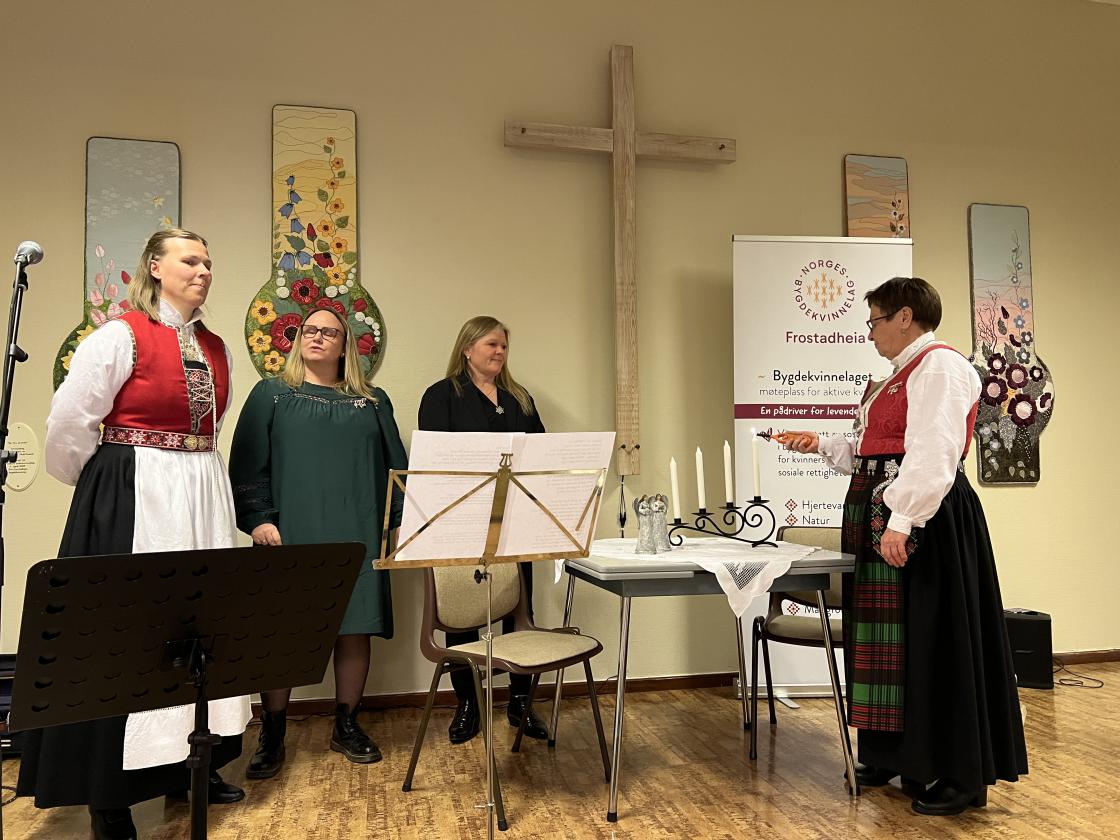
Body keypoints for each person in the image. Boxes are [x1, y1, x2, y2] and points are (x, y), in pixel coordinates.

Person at [17, 229, 250, 840]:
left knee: (196, 628)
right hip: (136, 492)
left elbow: (213, 426)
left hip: (201, 492)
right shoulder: (119, 336)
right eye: (190, 260)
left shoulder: (217, 348)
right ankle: (109, 795)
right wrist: (106, 490)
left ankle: (187, 766)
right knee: (128, 633)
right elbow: (70, 424)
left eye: (208, 262)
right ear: (155, 266)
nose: (203, 270)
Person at [778, 276, 1028, 816]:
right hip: (883, 510)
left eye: (874, 321)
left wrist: (903, 520)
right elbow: (875, 449)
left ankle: (957, 772)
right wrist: (820, 444)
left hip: (923, 520)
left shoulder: (939, 367)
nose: (869, 333)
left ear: (905, 317)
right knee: (886, 640)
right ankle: (895, 755)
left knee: (932, 638)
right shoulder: (897, 375)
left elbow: (935, 450)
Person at [229, 307, 407, 778]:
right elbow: (246, 462)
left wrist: (396, 527)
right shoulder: (271, 394)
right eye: (310, 330)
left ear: (345, 345)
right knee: (284, 633)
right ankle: (273, 733)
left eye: (329, 332)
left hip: (359, 534)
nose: (317, 337)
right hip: (289, 534)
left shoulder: (372, 401)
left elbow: (397, 469)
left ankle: (346, 725)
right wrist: (259, 520)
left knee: (354, 628)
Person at [418, 315, 549, 744]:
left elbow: (540, 454)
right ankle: (468, 704)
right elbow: (434, 460)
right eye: (492, 344)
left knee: (520, 609)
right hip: (461, 521)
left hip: (515, 522)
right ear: (467, 348)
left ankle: (520, 703)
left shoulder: (519, 398)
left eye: (504, 346)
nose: (499, 352)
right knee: (462, 617)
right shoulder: (441, 395)